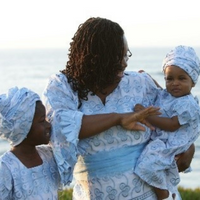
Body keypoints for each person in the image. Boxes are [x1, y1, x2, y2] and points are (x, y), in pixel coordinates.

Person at [42, 17, 194, 200]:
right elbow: (60, 126)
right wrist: (118, 118)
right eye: (117, 57)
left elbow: (177, 114)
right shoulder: (63, 87)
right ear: (95, 59)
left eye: (126, 55)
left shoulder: (140, 83)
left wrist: (189, 146)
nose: (124, 63)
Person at [134, 45, 200, 200]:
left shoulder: (187, 104)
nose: (175, 83)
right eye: (169, 79)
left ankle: (163, 192)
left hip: (173, 143)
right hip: (164, 140)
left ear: (193, 82)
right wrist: (150, 79)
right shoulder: (171, 95)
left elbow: (172, 125)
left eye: (181, 78)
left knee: (146, 166)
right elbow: (161, 93)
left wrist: (145, 115)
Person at [0, 87, 61, 199]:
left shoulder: (49, 155)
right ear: (24, 128)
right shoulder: (6, 168)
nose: (48, 125)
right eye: (42, 121)